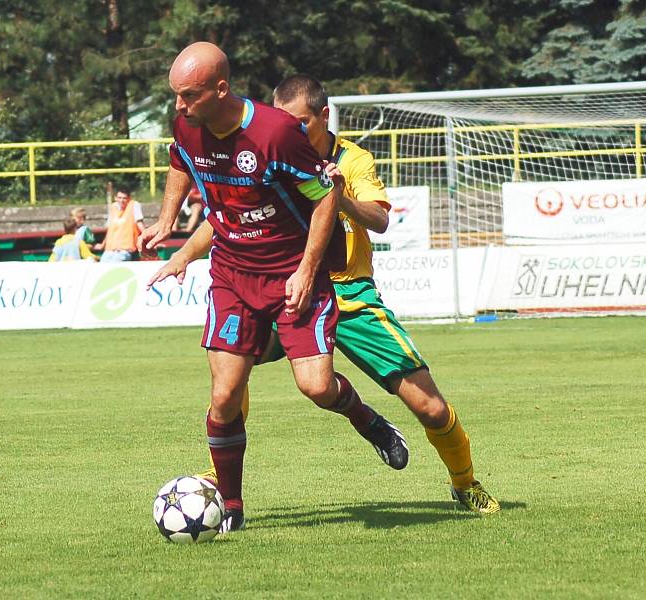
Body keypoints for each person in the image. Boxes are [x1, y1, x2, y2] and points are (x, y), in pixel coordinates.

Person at [150, 74, 500, 515]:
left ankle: (465, 483)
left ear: (323, 116)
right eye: (285, 121)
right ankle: (224, 484)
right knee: (229, 380)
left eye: (302, 123)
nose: (293, 129)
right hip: (281, 287)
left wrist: (338, 194)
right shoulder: (267, 148)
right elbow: (227, 218)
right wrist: (182, 253)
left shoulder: (351, 160)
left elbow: (379, 219)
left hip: (348, 294)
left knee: (428, 406)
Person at [138, 42, 408, 534]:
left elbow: (326, 199)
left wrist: (306, 271)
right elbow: (180, 163)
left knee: (317, 387)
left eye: (189, 96)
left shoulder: (276, 133)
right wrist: (167, 221)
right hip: (232, 276)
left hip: (291, 274)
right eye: (176, 96)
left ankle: (367, 420)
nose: (179, 106)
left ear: (221, 89)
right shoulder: (188, 124)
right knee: (224, 395)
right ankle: (233, 510)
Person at [96, 186, 144, 262]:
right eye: (119, 198)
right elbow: (110, 230)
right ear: (116, 198)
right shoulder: (113, 208)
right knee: (101, 267)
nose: (121, 200)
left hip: (125, 250)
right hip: (110, 250)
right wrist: (102, 245)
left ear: (129, 198)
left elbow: (140, 224)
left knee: (115, 267)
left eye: (124, 198)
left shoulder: (134, 205)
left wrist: (149, 239)